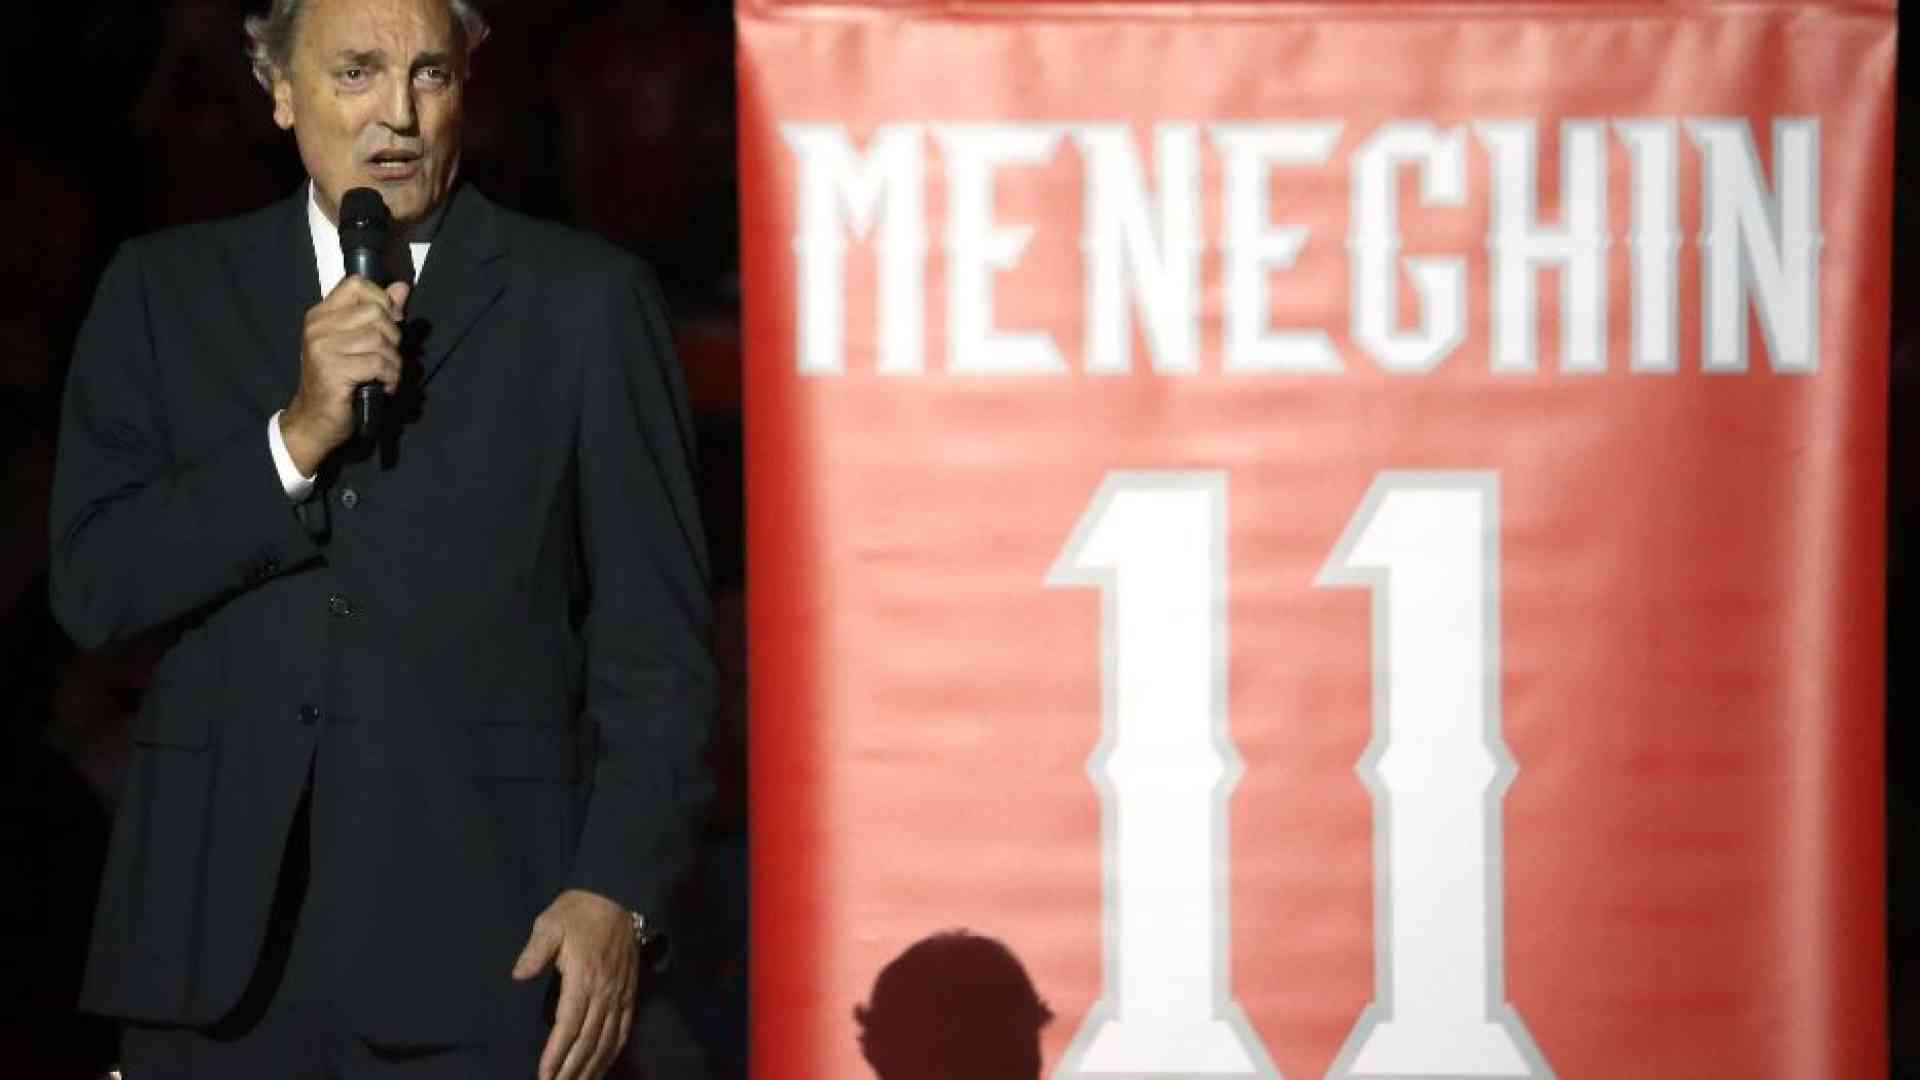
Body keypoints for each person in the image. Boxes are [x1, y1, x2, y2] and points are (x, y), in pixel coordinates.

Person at [47, 0, 715, 1076]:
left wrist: (618, 891)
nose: (396, 114)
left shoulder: (584, 306)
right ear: (279, 90)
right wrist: (293, 439)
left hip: (483, 954)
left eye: (429, 75)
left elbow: (658, 651)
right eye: (355, 71)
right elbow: (94, 588)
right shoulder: (164, 293)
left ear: (467, 89)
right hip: (209, 971)